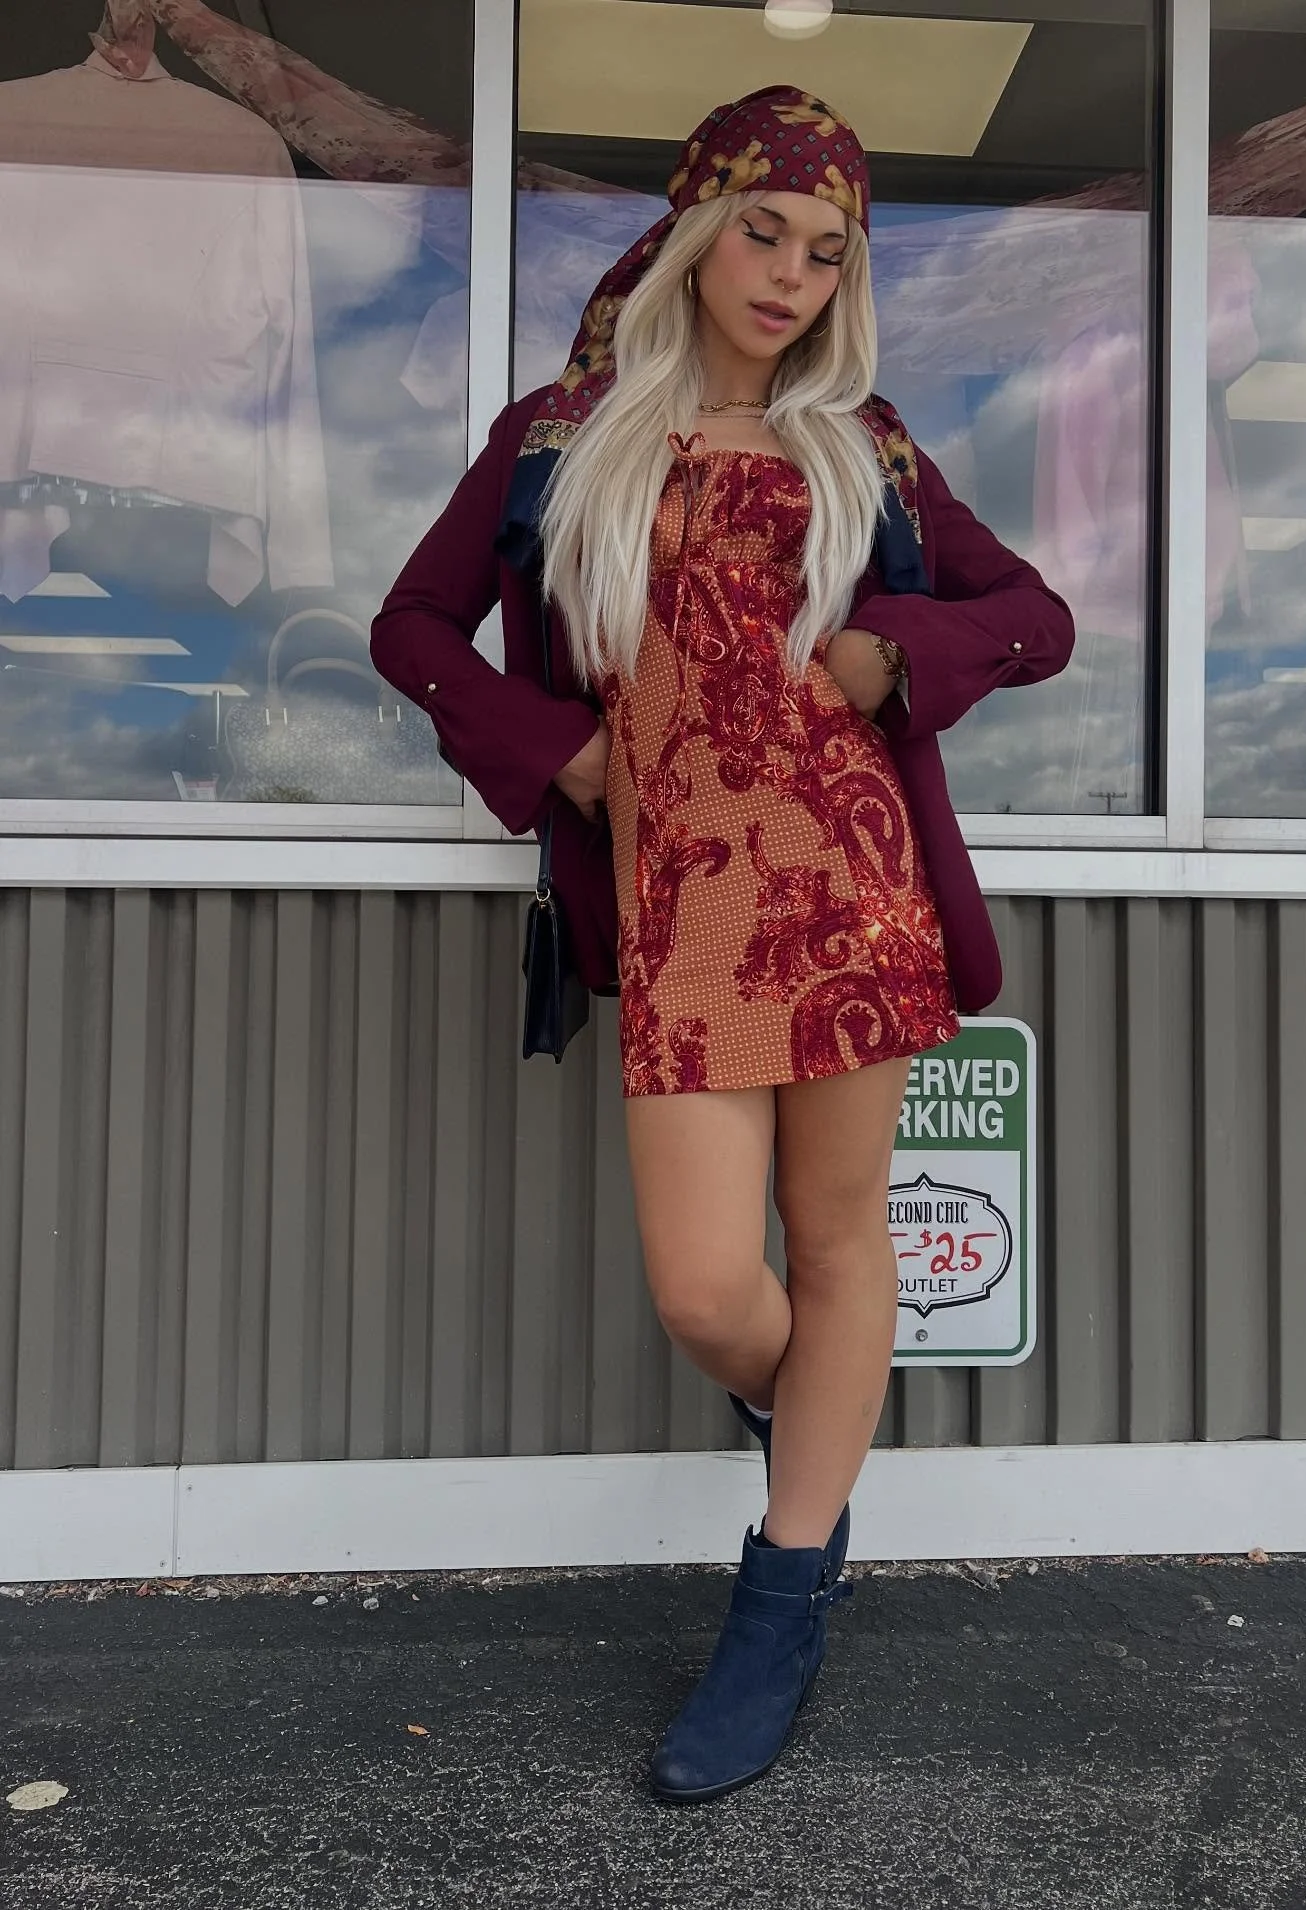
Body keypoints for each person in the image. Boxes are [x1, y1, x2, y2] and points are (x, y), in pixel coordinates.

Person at [371, 85, 1074, 1805]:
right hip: (685, 907)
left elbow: (1034, 616)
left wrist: (894, 648)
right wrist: (561, 756)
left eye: (827, 252)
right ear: (698, 229)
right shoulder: (563, 436)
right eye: (762, 230)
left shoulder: (869, 448)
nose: (790, 275)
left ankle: (782, 1592)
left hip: (855, 895)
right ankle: (822, 1423)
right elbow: (410, 626)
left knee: (840, 1251)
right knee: (707, 1285)